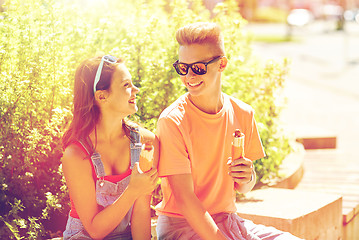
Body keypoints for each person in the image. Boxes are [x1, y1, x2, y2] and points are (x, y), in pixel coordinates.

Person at [155, 22, 303, 240]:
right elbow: (186, 201)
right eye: (183, 68)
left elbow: (245, 187)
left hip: (229, 221)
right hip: (182, 227)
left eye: (198, 68)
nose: (189, 77)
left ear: (221, 64)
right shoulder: (172, 121)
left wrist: (246, 176)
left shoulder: (243, 113)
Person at [61, 55, 158, 240]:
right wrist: (133, 190)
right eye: (126, 85)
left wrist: (137, 191)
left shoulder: (146, 143)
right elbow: (95, 230)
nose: (135, 90)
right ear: (102, 96)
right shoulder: (76, 155)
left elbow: (141, 213)